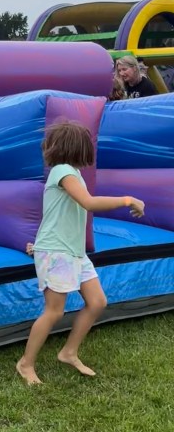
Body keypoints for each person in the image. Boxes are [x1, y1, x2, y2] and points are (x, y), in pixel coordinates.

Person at [16, 120, 145, 386]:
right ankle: (25, 363)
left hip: (73, 252)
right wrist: (127, 199)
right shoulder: (62, 171)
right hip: (58, 252)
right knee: (54, 311)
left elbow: (57, 214)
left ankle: (68, 352)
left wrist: (38, 245)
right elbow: (88, 203)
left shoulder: (72, 172)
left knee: (97, 302)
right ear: (78, 148)